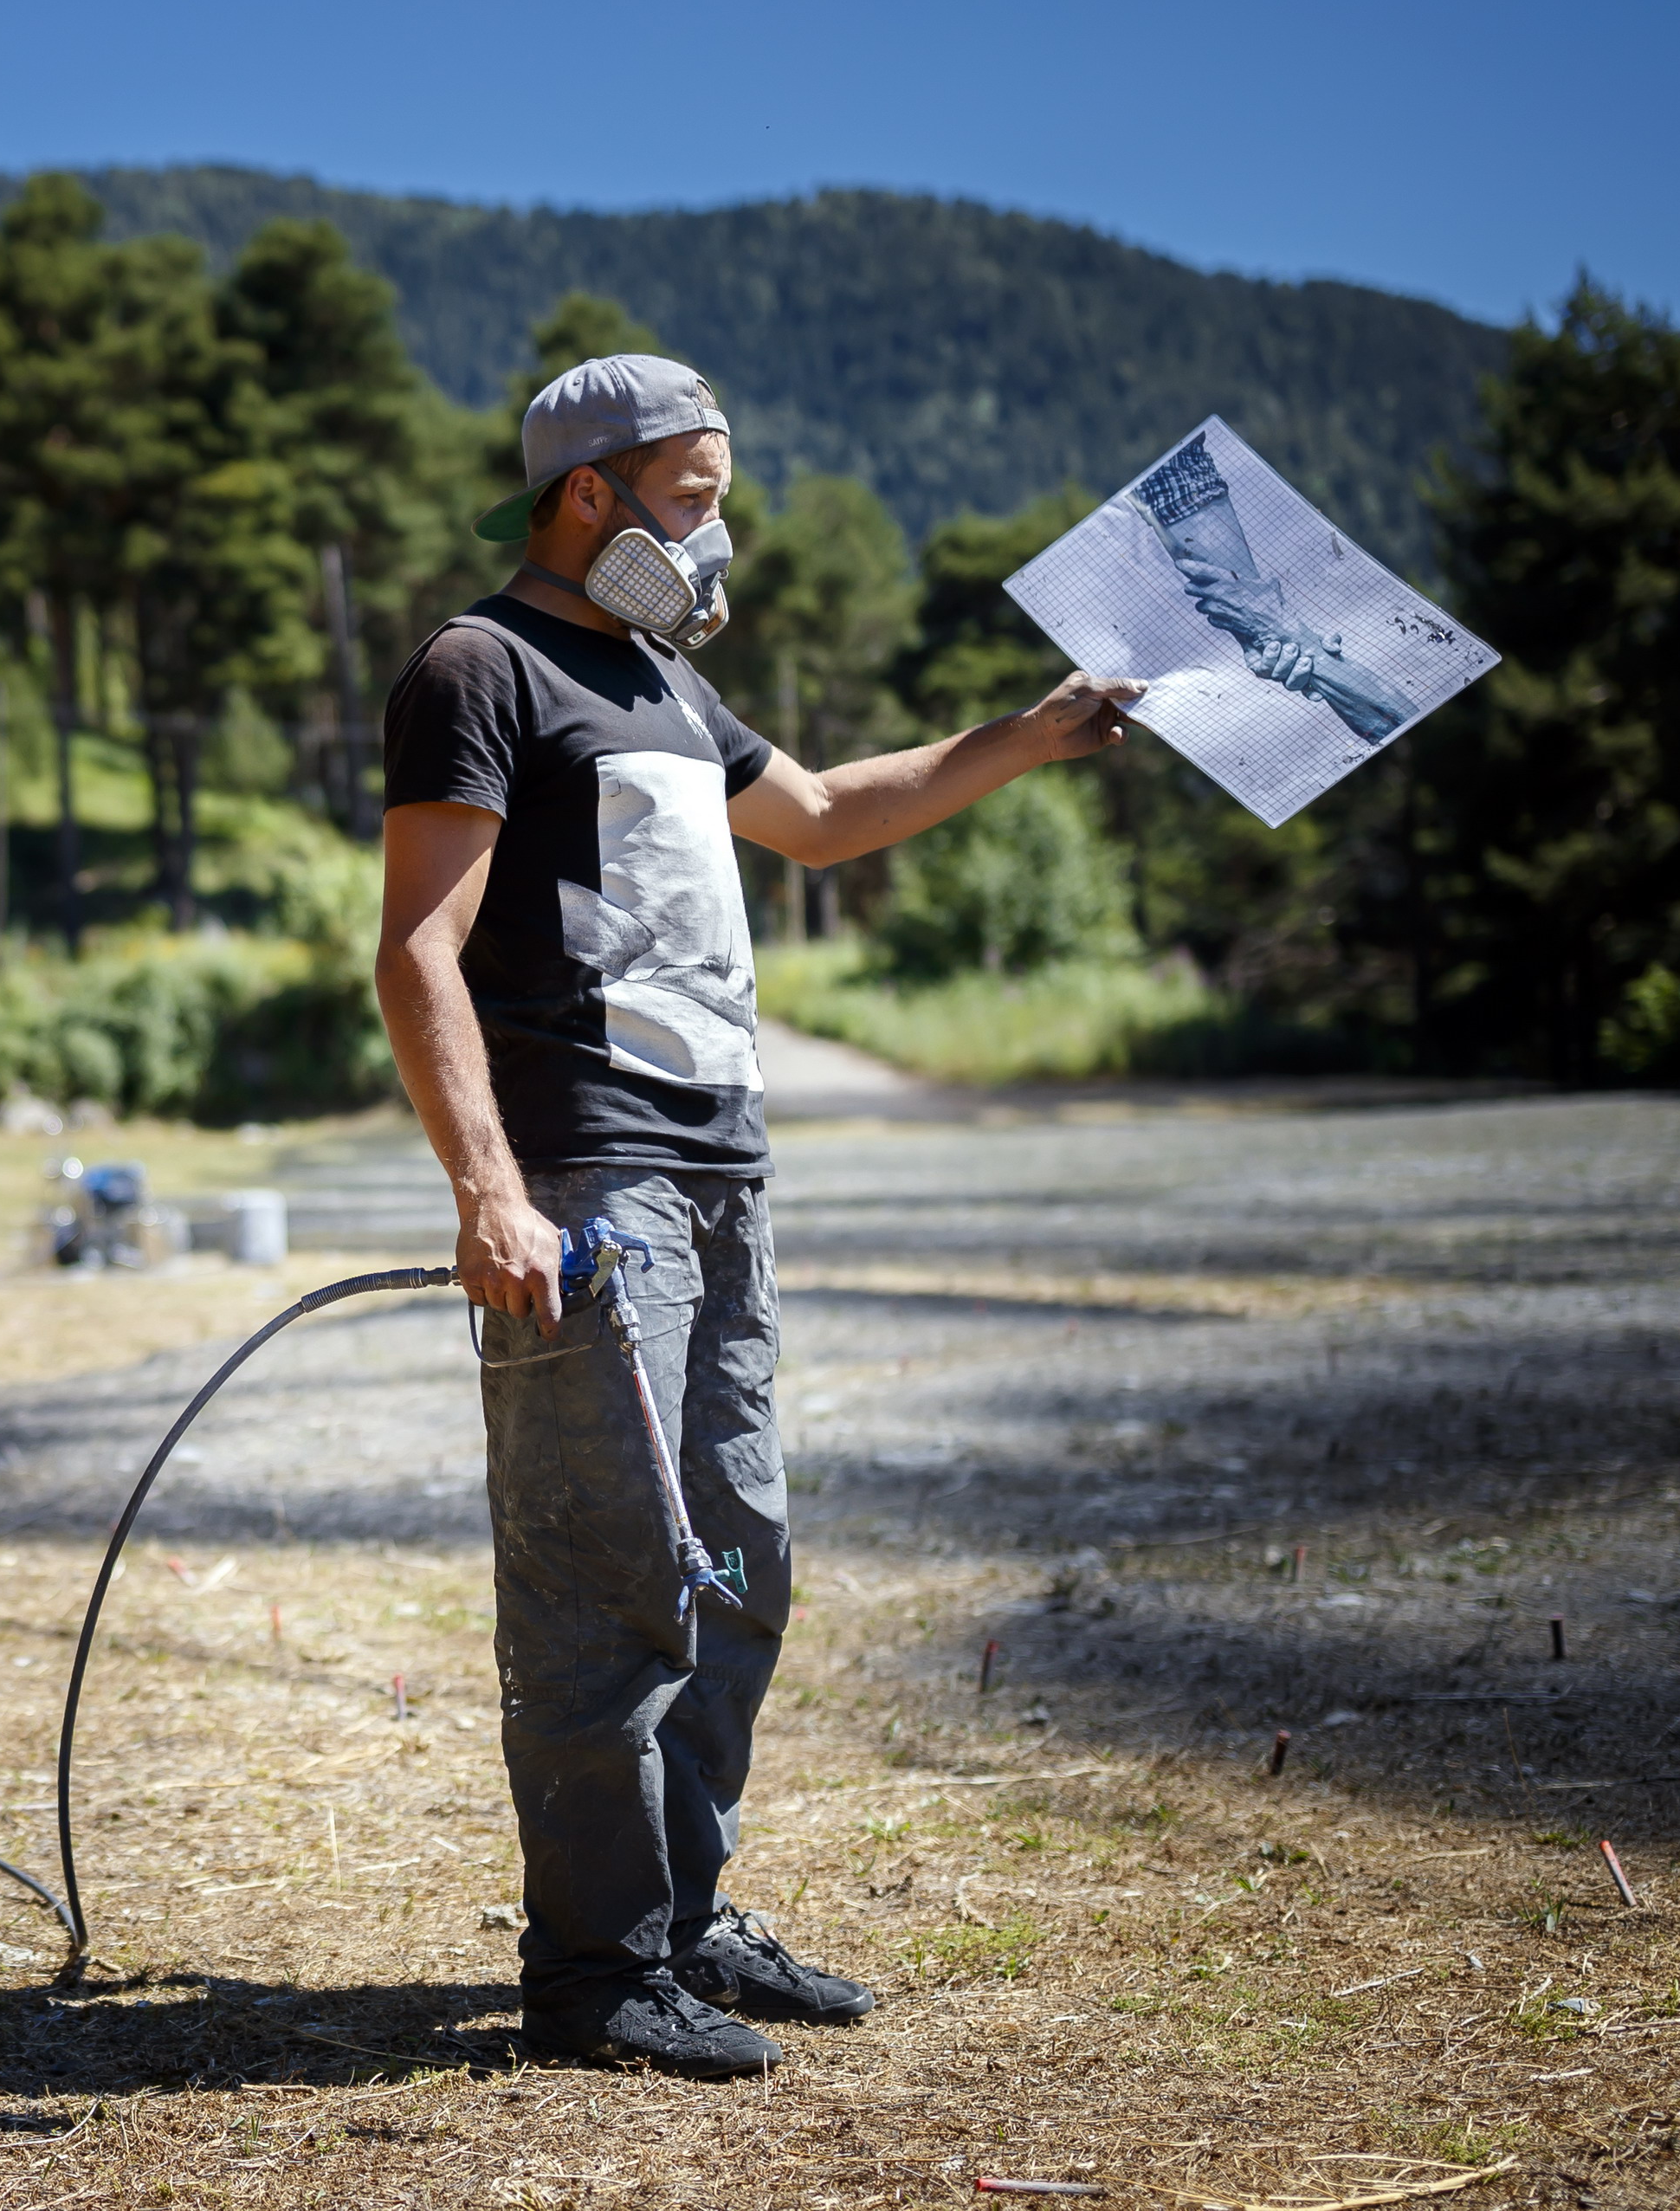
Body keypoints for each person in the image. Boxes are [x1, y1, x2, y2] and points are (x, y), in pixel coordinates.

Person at [375, 356, 1140, 2078]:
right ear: (594, 492)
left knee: (739, 1556)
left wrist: (1027, 734)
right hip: (589, 1179)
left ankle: (682, 1917)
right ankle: (587, 1976)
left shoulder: (654, 679)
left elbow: (817, 818)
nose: (715, 531)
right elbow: (415, 947)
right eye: (697, 495)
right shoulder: (475, 667)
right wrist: (487, 1188)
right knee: (605, 1575)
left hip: (721, 1178)